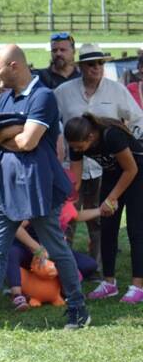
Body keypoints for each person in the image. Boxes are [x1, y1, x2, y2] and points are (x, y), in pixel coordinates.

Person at [0, 44, 90, 330]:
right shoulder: (5, 98)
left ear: (14, 66)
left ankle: (77, 308)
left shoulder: (43, 97)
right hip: (4, 188)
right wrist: (16, 127)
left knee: (57, 250)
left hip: (39, 188)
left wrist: (6, 133)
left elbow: (28, 143)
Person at [55, 44, 143, 264]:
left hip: (111, 167)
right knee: (67, 217)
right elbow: (50, 121)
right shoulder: (62, 92)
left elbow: (137, 118)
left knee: (102, 220)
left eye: (101, 63)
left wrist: (129, 144)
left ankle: (95, 266)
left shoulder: (116, 90)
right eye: (91, 64)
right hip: (75, 164)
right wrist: (58, 144)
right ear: (81, 67)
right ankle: (65, 265)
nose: (97, 68)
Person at [65, 113, 143, 303]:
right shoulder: (77, 142)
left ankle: (138, 286)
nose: (76, 149)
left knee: (136, 230)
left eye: (79, 146)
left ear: (90, 137)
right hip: (111, 175)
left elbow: (131, 169)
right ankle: (109, 283)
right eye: (73, 146)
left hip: (137, 175)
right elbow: (75, 177)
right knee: (107, 228)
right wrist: (67, 200)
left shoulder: (111, 135)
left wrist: (112, 198)